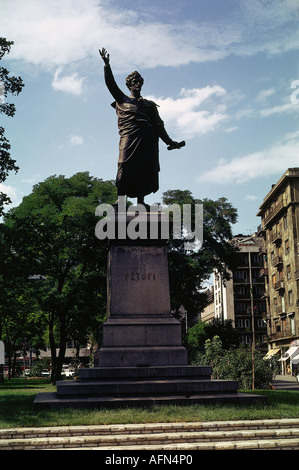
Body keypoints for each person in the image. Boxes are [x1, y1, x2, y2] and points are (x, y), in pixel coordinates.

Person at [99, 48, 184, 206]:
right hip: (129, 137)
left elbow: (159, 125)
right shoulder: (122, 100)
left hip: (147, 139)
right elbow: (110, 85)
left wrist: (170, 142)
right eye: (134, 82)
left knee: (145, 169)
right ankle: (121, 200)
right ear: (129, 85)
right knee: (123, 165)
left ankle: (141, 201)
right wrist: (107, 66)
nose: (137, 84)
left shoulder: (149, 105)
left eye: (139, 82)